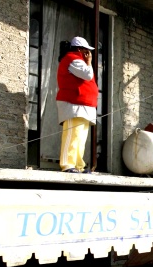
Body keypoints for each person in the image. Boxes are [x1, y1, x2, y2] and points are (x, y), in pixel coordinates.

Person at [56, 36, 98, 173]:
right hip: (73, 103)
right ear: (80, 49)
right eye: (87, 51)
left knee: (80, 137)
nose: (88, 54)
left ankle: (79, 165)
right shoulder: (72, 59)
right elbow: (87, 74)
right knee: (72, 135)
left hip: (83, 104)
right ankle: (67, 164)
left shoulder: (77, 60)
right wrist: (89, 62)